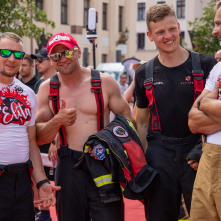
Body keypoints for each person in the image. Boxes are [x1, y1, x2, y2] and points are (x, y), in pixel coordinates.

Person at [35, 32, 135, 221]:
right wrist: (57, 121)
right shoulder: (47, 89)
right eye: (56, 56)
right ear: (51, 60)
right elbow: (39, 137)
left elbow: (128, 120)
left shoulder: (104, 82)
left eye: (67, 52)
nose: (62, 59)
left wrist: (123, 155)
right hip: (68, 166)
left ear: (78, 52)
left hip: (103, 163)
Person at [134, 4, 217, 221]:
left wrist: (202, 150)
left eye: (171, 29)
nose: (167, 36)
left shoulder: (206, 64)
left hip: (196, 153)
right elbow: (141, 122)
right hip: (159, 155)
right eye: (160, 32)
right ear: (150, 36)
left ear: (179, 27)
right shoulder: (144, 72)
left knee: (205, 217)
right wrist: (142, 166)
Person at [0, 32, 60, 221]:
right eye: (5, 53)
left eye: (18, 55)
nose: (12, 59)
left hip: (22, 180)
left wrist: (42, 182)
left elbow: (31, 141)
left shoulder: (27, 93)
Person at [188, 1, 221, 220]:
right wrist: (205, 104)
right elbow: (193, 121)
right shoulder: (218, 67)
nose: (214, 30)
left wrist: (205, 103)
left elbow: (200, 106)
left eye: (219, 24)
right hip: (209, 156)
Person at [31, 48, 57, 221]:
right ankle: (43, 213)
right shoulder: (40, 83)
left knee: (57, 183)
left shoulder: (61, 81)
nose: (37, 64)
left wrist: (56, 141)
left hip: (56, 144)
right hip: (40, 142)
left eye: (41, 60)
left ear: (51, 61)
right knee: (38, 179)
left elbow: (63, 115)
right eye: (36, 61)